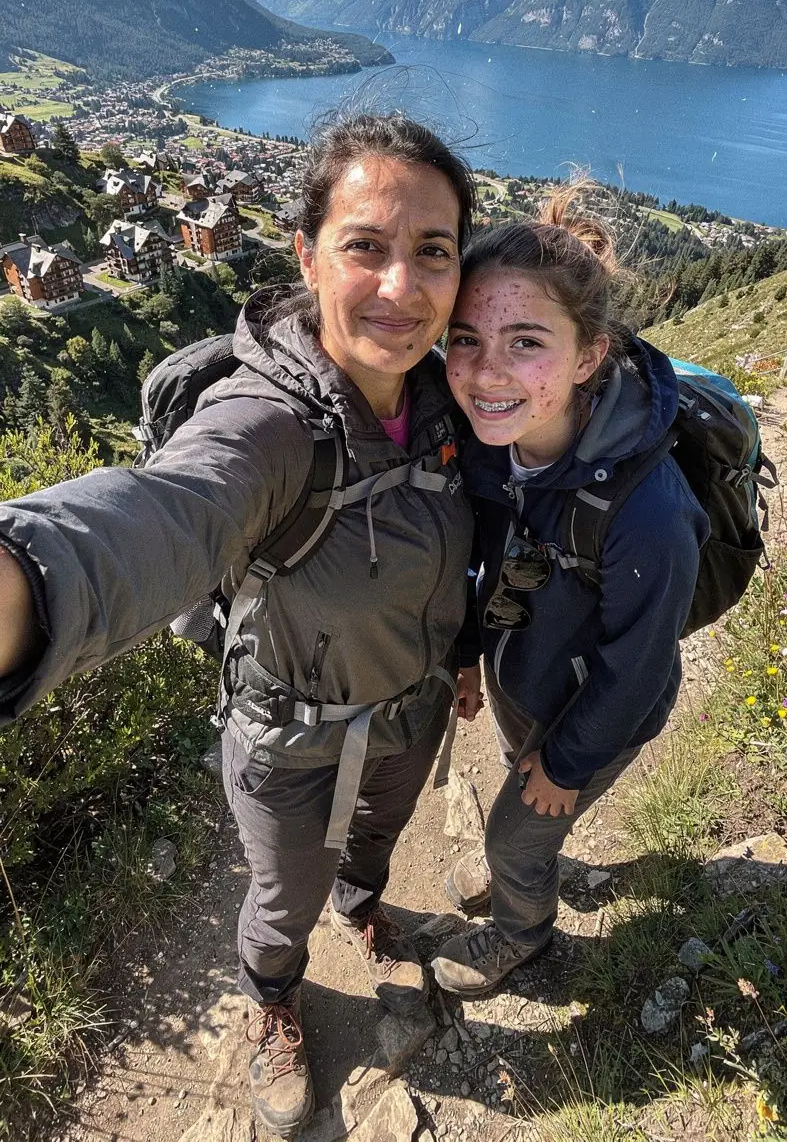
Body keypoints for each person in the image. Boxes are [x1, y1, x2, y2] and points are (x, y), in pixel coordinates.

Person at [0, 113, 480, 1138]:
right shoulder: (265, 425)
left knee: (373, 847)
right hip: (288, 738)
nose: (401, 287)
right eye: (365, 247)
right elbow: (168, 512)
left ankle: (365, 905)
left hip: (411, 711)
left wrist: (471, 652)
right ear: (307, 256)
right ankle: (274, 997)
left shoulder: (453, 400)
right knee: (282, 894)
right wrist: (28, 581)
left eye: (432, 252)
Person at [433, 188, 709, 998]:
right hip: (531, 674)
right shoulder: (495, 441)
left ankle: (521, 933)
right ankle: (532, 855)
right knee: (525, 814)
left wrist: (567, 761)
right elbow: (484, 553)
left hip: (597, 712)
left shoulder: (648, 512)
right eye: (467, 339)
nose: (486, 371)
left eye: (526, 342)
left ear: (590, 355)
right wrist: (465, 656)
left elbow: (639, 669)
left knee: (513, 835)